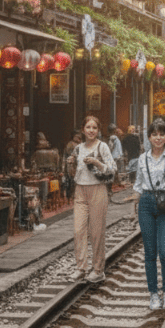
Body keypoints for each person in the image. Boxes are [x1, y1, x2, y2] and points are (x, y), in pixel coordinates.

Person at [133, 119, 165, 310]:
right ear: (149, 137)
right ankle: (153, 293)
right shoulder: (142, 159)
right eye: (154, 135)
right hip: (145, 203)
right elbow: (138, 183)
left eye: (162, 134)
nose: (158, 138)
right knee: (150, 252)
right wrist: (134, 204)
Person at [66, 115, 116, 283]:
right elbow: (73, 173)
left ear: (98, 130)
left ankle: (98, 269)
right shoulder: (78, 148)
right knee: (78, 231)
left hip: (97, 190)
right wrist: (70, 163)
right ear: (83, 130)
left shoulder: (103, 147)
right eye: (88, 127)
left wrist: (96, 162)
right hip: (80, 190)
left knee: (96, 232)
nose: (91, 130)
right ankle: (80, 268)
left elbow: (112, 169)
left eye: (94, 127)